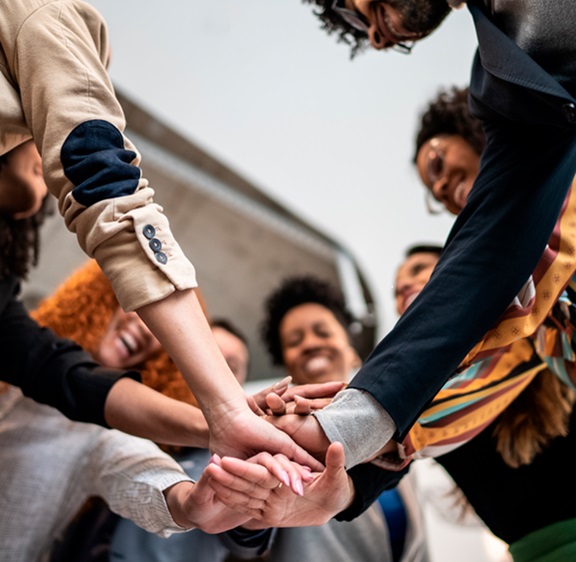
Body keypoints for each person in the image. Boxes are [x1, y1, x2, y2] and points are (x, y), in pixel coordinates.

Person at [0, 0, 316, 468]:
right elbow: (100, 178)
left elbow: (57, 372)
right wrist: (225, 404)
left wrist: (216, 421)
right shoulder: (43, 13)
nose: (46, 133)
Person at [269, 0, 576, 476]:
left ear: (469, 128)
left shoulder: (531, 95)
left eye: (354, 13)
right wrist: (345, 439)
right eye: (434, 194)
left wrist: (345, 428)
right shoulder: (526, 294)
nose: (372, 36)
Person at [253, 275, 429, 562]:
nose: (310, 344)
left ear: (352, 351)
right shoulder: (278, 435)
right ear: (286, 363)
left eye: (322, 332)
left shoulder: (394, 427)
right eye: (294, 341)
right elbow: (250, 537)